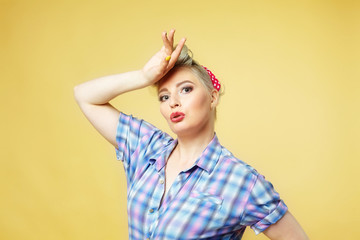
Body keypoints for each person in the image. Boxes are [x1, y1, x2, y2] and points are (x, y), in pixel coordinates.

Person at [74, 29, 309, 240]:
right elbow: (85, 96)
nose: (173, 102)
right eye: (164, 96)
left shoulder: (241, 182)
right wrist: (144, 77)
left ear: (212, 97)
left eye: (186, 89)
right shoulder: (146, 147)